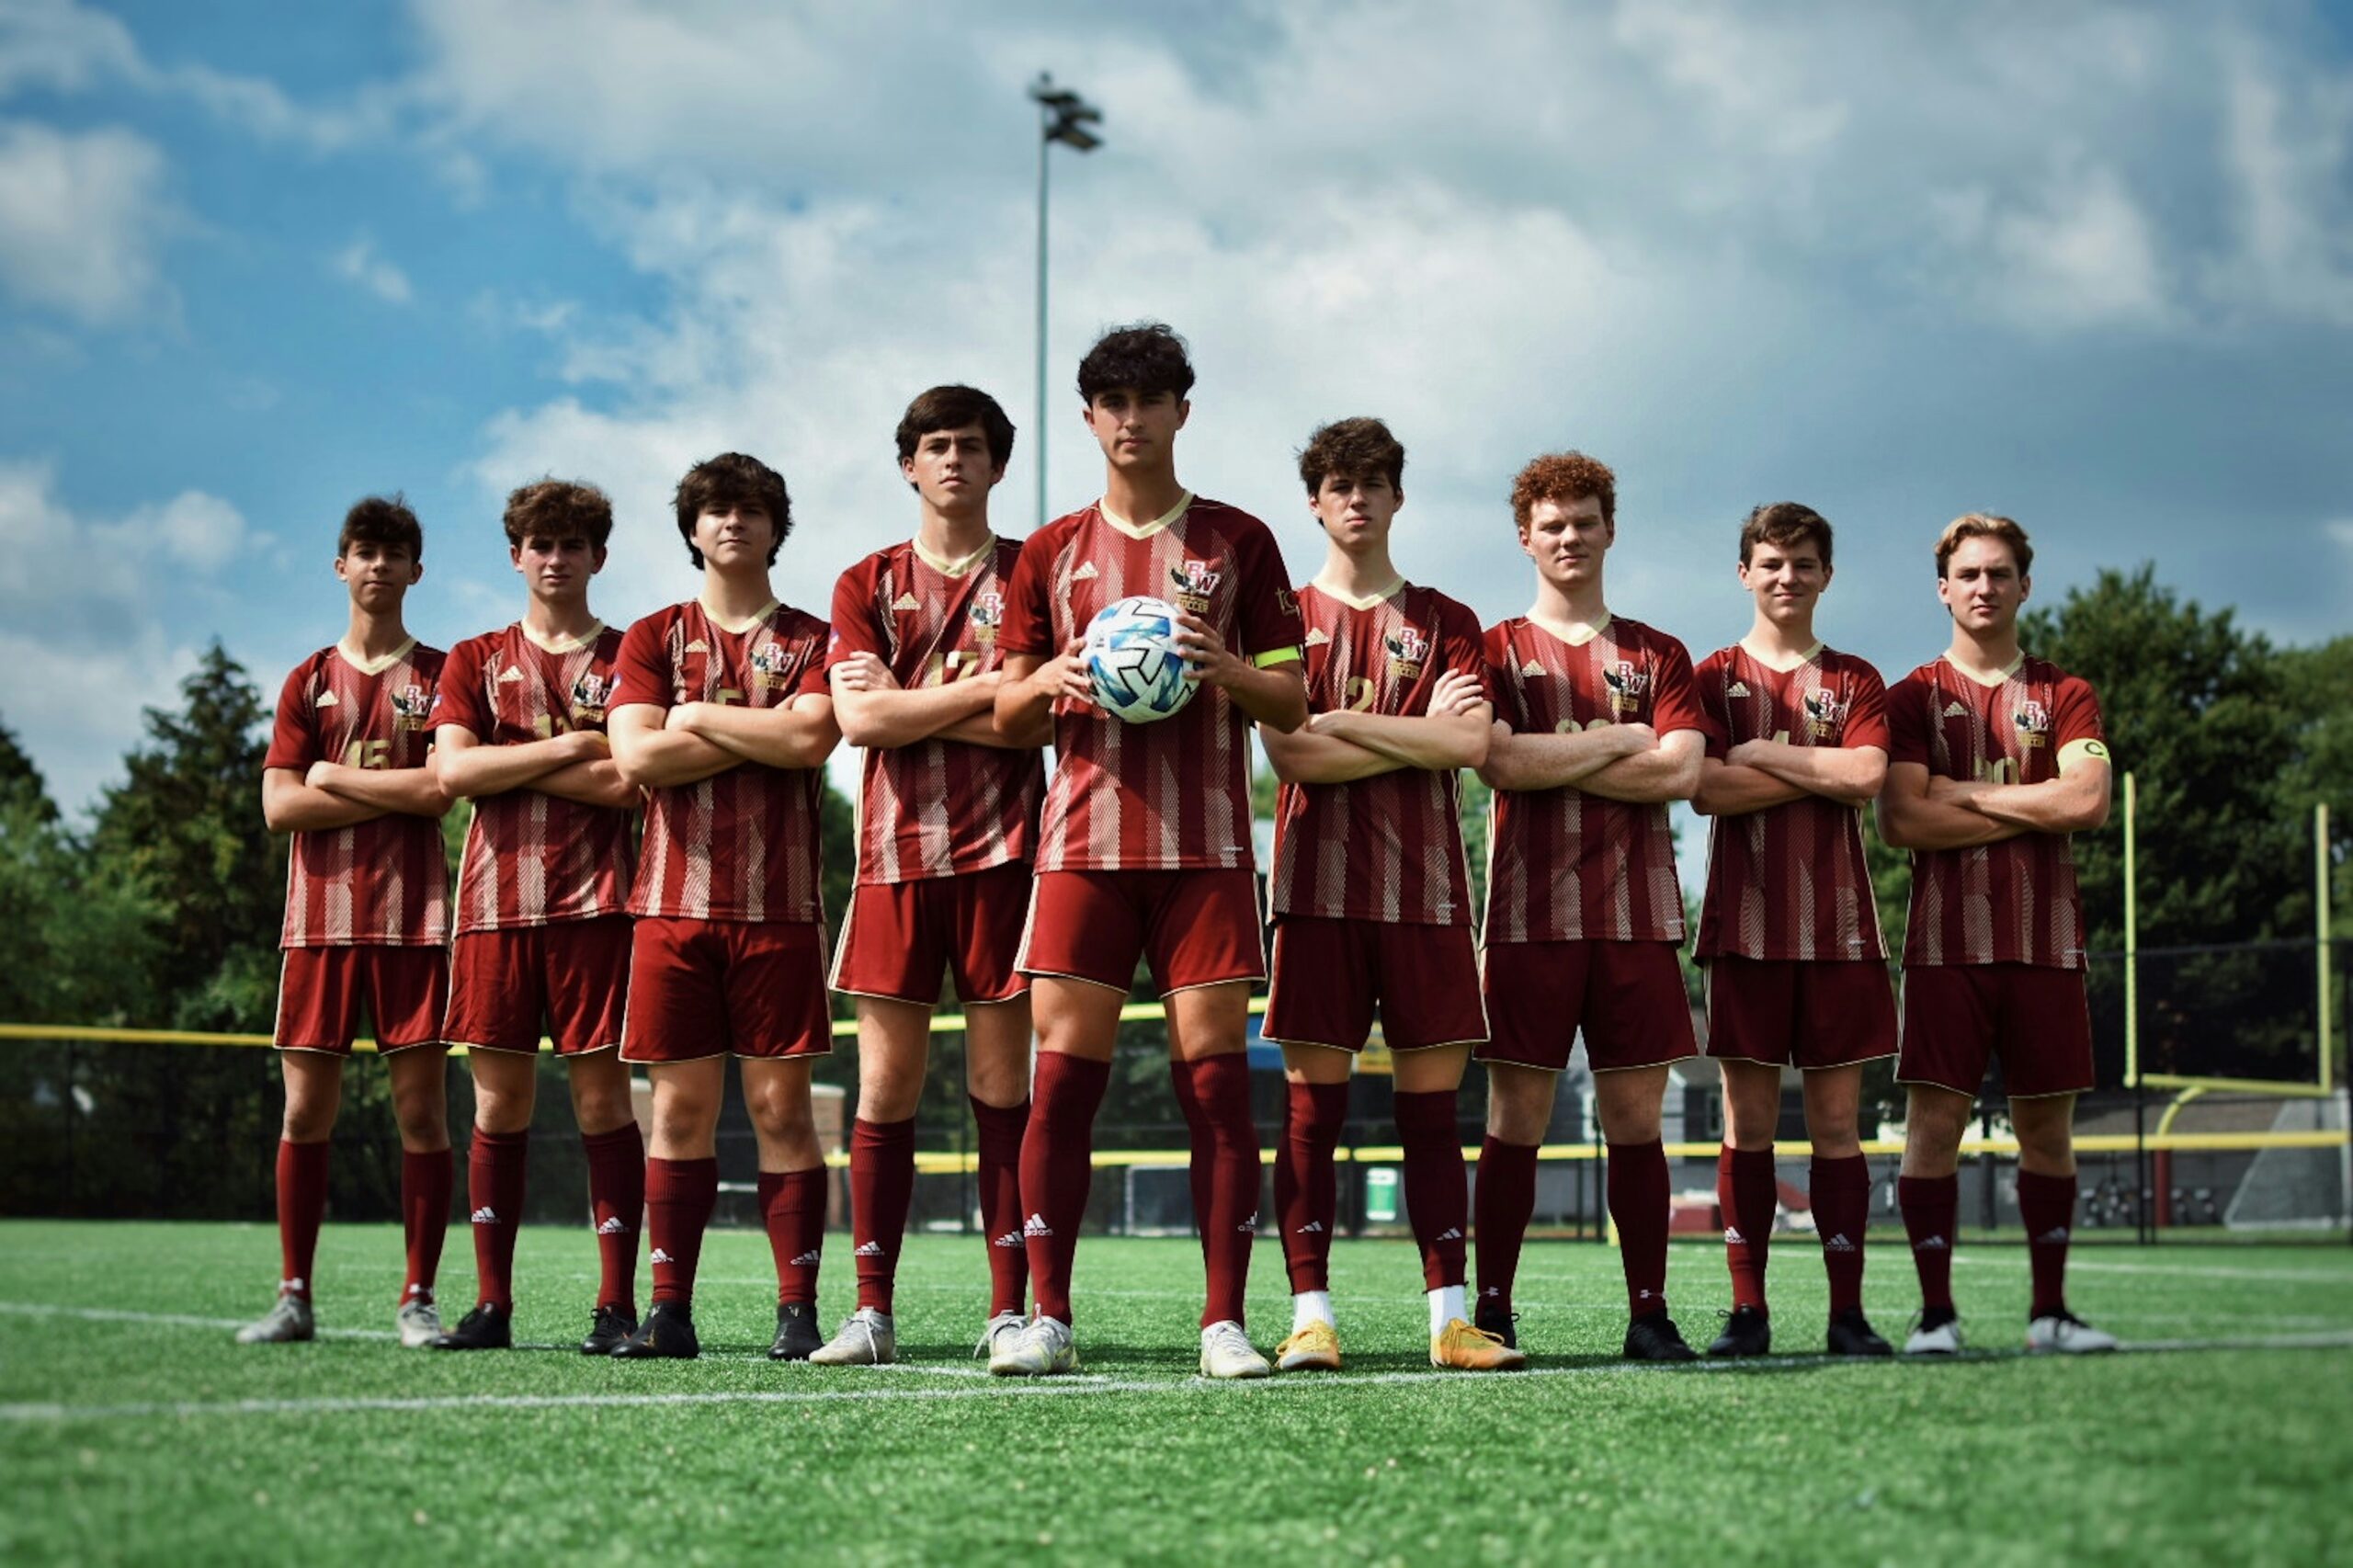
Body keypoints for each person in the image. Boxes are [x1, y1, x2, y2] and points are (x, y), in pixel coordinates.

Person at [989, 323, 1307, 1379]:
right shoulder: (1048, 551)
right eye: (1111, 401)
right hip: (1081, 843)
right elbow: (1005, 703)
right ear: (1089, 418)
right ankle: (1048, 1318)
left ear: (1183, 409)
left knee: (1213, 1089)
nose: (1131, 417)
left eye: (1151, 397)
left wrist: (1224, 666)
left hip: (1206, 846)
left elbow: (1292, 697)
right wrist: (1050, 682)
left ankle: (1223, 1322)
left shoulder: (1237, 541)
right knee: (1063, 1086)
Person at [1257, 415, 1520, 1373]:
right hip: (1316, 891)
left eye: (1373, 481)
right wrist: (1404, 728)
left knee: (1429, 1114)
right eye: (1338, 482)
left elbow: (1468, 746)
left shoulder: (1448, 619)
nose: (1356, 497)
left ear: (1397, 497)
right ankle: (1310, 1315)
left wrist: (1340, 725)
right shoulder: (1278, 618)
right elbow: (1287, 750)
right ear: (1316, 502)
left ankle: (1450, 1319)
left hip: (1427, 893)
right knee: (1309, 1114)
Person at [815, 386, 1047, 1366]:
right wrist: (980, 689)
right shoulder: (864, 580)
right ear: (908, 463)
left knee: (1002, 1087)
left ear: (999, 464)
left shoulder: (1038, 571)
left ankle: (1007, 1309)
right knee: (887, 1085)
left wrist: (924, 698)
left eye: (972, 446)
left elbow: (1035, 716)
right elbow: (860, 723)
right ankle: (872, 1310)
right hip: (895, 857)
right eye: (935, 445)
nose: (953, 459)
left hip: (1007, 853)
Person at [605, 452, 840, 1361]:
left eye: (750, 510)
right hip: (669, 907)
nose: (732, 522)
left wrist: (695, 718)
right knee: (678, 1113)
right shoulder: (651, 635)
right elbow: (637, 758)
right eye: (714, 510)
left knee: (782, 1109)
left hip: (779, 909)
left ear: (777, 527)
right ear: (692, 530)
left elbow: (809, 735)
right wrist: (748, 732)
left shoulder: (816, 637)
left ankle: (796, 1310)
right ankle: (669, 1311)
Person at [1473, 451, 1705, 1363]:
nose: (1568, 536)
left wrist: (1553, 755)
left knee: (1636, 1122)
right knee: (1515, 1120)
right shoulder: (1492, 649)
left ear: (1610, 527)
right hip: (1527, 917)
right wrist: (1621, 740)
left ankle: (1648, 1312)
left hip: (1637, 916)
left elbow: (1683, 771)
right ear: (1524, 535)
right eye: (1551, 523)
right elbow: (1498, 761)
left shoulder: (1658, 653)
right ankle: (1492, 1307)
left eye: (1584, 520)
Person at [1877, 513, 2118, 1356]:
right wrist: (2031, 806)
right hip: (1945, 948)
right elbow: (1903, 818)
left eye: (1999, 573)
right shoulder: (1911, 697)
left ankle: (2050, 1314)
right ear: (1944, 588)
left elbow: (2086, 803)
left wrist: (1968, 795)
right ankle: (1936, 1316)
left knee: (2048, 1133)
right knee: (1933, 1131)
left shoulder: (2065, 693)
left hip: (2046, 943)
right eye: (1968, 575)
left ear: (2024, 584)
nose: (1984, 587)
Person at [428, 480, 645, 1355]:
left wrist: (504, 759)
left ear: (599, 556)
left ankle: (616, 1307)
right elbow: (453, 776)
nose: (554, 559)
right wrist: (567, 747)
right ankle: (491, 1307)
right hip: (493, 907)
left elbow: (628, 781)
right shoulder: (474, 657)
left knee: (602, 1101)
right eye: (539, 544)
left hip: (599, 906)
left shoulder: (633, 655)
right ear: (516, 555)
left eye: (572, 544)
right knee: (499, 1104)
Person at [238, 495, 452, 1346]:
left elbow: (441, 790)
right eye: (363, 551)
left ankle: (418, 1299)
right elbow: (279, 808)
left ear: (415, 571)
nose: (378, 566)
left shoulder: (442, 676)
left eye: (394, 553)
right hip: (317, 925)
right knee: (303, 1117)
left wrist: (332, 777)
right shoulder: (307, 678)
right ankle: (294, 1295)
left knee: (424, 1117)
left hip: (415, 924)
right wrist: (353, 789)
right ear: (341, 567)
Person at [1689, 502, 1898, 1358]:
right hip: (1742, 927)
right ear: (1745, 572)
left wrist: (1762, 755)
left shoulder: (1855, 679)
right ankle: (1749, 1313)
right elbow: (1704, 788)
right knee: (1748, 1126)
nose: (1787, 577)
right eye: (1771, 562)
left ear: (1826, 574)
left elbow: (1866, 776)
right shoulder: (1711, 677)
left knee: (1839, 1128)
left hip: (1840, 929)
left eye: (1803, 563)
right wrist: (1816, 770)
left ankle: (1847, 1314)